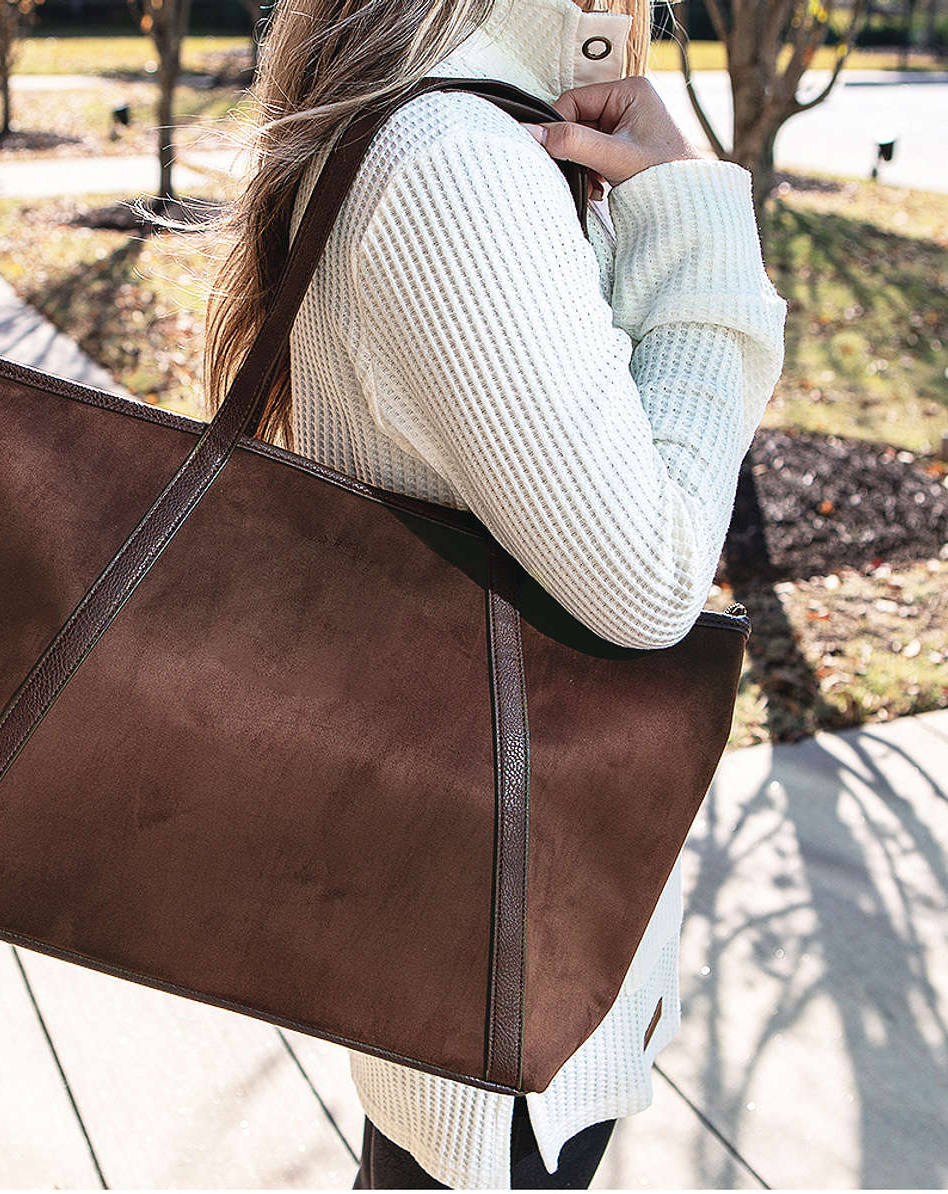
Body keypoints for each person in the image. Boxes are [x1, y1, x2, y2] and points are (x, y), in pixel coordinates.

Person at [201, 0, 787, 1186]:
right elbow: (654, 578)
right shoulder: (457, 167)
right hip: (501, 966)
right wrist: (696, 216)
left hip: (476, 938)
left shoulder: (448, 125)